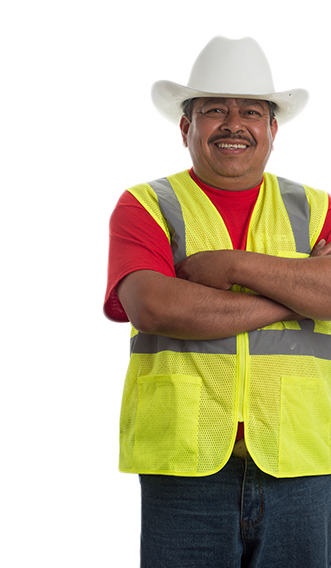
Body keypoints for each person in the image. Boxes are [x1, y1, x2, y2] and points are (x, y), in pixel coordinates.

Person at [103, 35, 331, 567]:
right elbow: (155, 307)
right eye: (213, 111)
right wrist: (302, 293)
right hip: (184, 469)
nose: (234, 124)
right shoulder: (145, 205)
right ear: (187, 129)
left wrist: (231, 268)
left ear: (273, 131)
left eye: (251, 111)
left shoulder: (317, 206)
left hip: (301, 465)